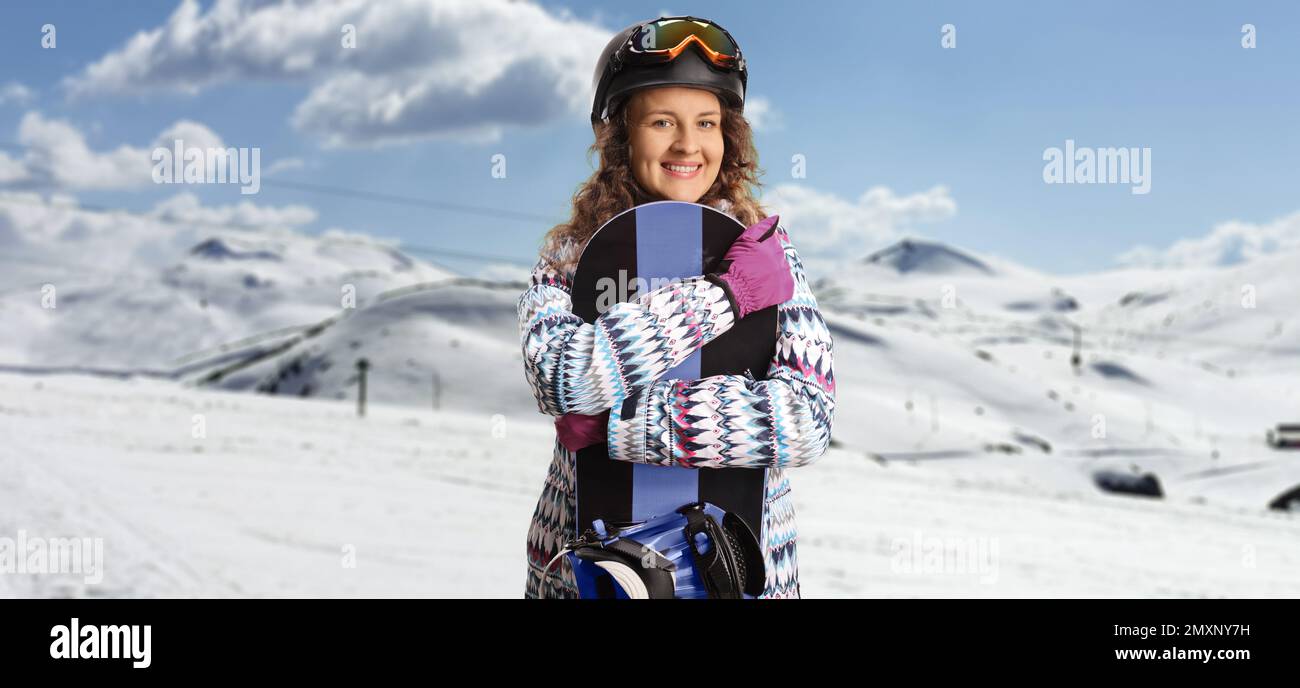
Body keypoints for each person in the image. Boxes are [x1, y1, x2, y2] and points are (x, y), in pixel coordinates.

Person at [518, 16, 836, 598]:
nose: (688, 145)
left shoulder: (767, 255)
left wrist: (624, 425)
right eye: (662, 122)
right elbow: (563, 378)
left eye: (707, 123)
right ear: (619, 136)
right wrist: (727, 296)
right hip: (583, 573)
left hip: (737, 574)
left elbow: (805, 420)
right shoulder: (568, 259)